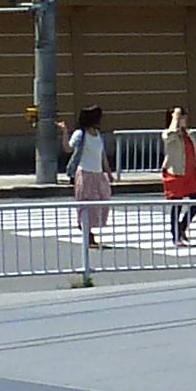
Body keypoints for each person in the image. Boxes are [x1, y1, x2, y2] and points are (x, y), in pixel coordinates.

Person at [66, 105, 113, 270]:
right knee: (86, 203)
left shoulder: (97, 134)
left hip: (98, 173)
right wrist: (64, 132)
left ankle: (87, 229)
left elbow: (102, 155)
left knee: (103, 200)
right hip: (84, 172)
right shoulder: (81, 134)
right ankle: (87, 232)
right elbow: (68, 148)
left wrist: (108, 172)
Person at [154, 102, 196, 246]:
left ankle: (182, 227)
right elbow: (169, 135)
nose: (184, 119)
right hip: (175, 173)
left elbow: (195, 153)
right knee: (177, 205)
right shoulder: (169, 134)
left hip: (189, 173)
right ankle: (176, 236)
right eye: (181, 116)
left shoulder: (189, 134)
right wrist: (175, 118)